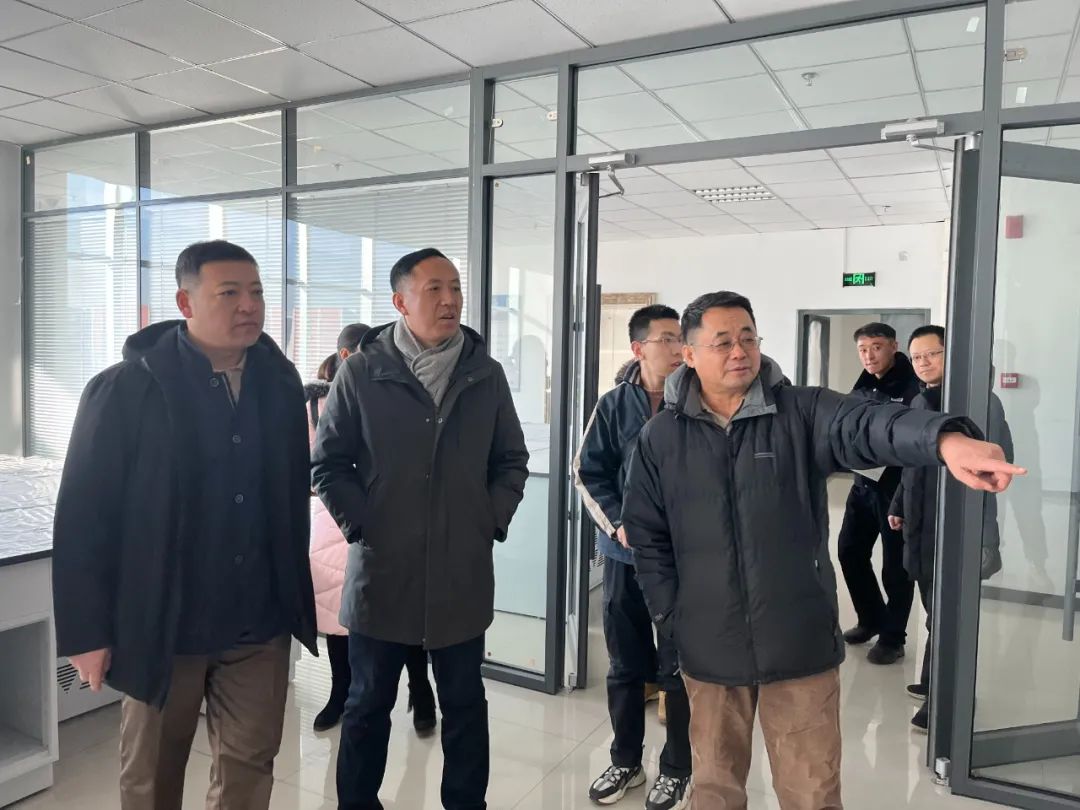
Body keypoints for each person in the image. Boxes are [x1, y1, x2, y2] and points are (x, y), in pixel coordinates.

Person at [622, 291, 1024, 810]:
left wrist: (945, 440)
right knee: (715, 789)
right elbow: (647, 535)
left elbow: (871, 422)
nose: (740, 351)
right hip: (708, 642)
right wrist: (671, 615)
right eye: (722, 342)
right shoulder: (660, 437)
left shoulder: (801, 411)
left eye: (748, 337)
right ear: (690, 354)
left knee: (811, 792)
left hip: (799, 639)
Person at [52, 240, 318, 810]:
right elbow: (83, 516)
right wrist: (87, 633)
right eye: (230, 293)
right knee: (152, 774)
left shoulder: (279, 385)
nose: (249, 305)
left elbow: (289, 497)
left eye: (257, 292)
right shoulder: (127, 389)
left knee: (250, 767)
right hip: (164, 622)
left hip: (258, 622)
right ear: (185, 302)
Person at [311, 247, 529, 810]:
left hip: (461, 572)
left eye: (455, 287)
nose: (450, 299)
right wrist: (364, 524)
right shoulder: (363, 371)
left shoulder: (484, 374)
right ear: (400, 301)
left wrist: (487, 519)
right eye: (434, 288)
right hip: (382, 572)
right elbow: (328, 463)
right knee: (367, 705)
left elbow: (510, 460)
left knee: (465, 705)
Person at [574, 305, 693, 810]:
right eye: (666, 339)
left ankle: (678, 767)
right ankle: (626, 760)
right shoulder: (613, 405)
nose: (676, 348)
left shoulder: (697, 401)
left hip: (683, 562)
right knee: (624, 665)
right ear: (639, 348)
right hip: (623, 557)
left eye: (680, 338)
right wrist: (618, 524)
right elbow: (587, 472)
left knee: (679, 667)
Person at [305, 328, 438, 734]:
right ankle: (341, 693)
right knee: (337, 615)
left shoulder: (390, 396)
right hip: (334, 520)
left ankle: (420, 690)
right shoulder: (313, 404)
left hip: (387, 520)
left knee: (403, 611)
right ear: (347, 356)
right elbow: (314, 464)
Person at [888, 326, 1013, 731]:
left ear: (953, 354)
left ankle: (948, 702)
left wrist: (986, 538)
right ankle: (932, 681)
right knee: (934, 611)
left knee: (947, 617)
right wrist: (899, 504)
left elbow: (994, 467)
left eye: (932, 354)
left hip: (955, 526)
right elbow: (911, 461)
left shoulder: (977, 402)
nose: (923, 362)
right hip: (923, 523)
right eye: (917, 357)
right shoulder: (922, 399)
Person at [837, 322, 922, 665]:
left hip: (895, 489)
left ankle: (893, 637)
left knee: (895, 567)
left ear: (893, 346)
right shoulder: (862, 384)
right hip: (863, 484)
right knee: (849, 552)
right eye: (862, 349)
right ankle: (870, 618)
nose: (869, 356)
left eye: (876, 347)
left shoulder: (911, 386)